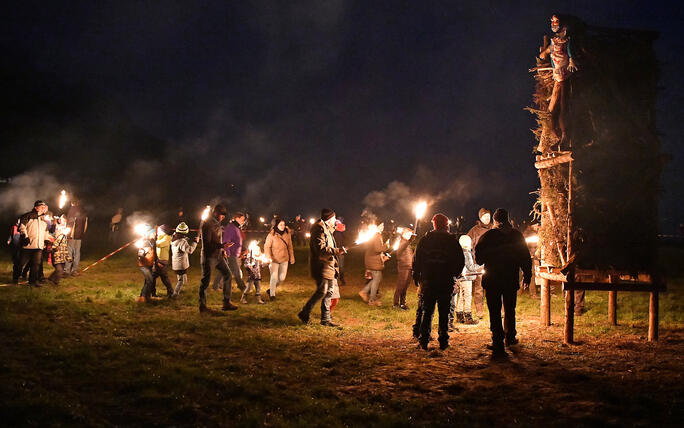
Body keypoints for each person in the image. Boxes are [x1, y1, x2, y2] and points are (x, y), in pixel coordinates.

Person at [475, 208, 532, 358]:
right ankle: (510, 337)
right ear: (508, 219)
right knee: (509, 309)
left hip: (493, 279)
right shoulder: (516, 236)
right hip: (510, 278)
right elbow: (526, 257)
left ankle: (498, 342)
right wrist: (527, 275)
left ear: (495, 221)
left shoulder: (489, 236)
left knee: (494, 311)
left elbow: (479, 258)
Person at [413, 214, 464, 350]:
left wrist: (417, 276)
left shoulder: (425, 240)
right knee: (444, 312)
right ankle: (443, 341)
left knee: (427, 311)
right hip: (445, 281)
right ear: (446, 224)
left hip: (429, 280)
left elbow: (417, 259)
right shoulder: (451, 241)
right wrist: (455, 274)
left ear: (434, 224)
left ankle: (424, 340)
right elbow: (460, 259)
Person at [298, 208, 345, 327]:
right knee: (322, 291)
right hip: (321, 266)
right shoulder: (319, 230)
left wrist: (336, 226)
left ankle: (325, 319)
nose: (335, 220)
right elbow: (321, 250)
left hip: (328, 265)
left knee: (328, 291)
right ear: (329, 219)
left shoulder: (326, 228)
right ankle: (305, 312)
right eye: (333, 218)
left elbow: (331, 233)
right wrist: (337, 250)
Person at [198, 205, 236, 312]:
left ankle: (226, 302)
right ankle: (203, 306)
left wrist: (222, 250)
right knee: (205, 282)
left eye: (224, 215)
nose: (223, 217)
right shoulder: (207, 225)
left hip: (218, 256)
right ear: (215, 213)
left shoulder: (217, 224)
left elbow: (218, 240)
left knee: (227, 274)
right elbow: (207, 244)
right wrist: (222, 246)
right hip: (209, 257)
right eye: (221, 215)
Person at [15, 201, 52, 286]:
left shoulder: (44, 219)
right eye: (41, 206)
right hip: (28, 245)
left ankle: (33, 281)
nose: (44, 208)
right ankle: (15, 278)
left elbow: (45, 232)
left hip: (38, 246)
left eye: (44, 207)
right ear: (36, 207)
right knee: (20, 263)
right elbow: (22, 227)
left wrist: (46, 240)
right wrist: (25, 236)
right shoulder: (28, 216)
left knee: (36, 265)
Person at [450, 235, 481, 328]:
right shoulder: (467, 253)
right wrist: (481, 266)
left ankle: (459, 316)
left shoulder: (458, 252)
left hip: (460, 277)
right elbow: (470, 267)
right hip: (467, 277)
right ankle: (468, 317)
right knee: (467, 296)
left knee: (461, 297)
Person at [466, 208, 492, 318]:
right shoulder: (474, 230)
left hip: (493, 263)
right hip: (480, 264)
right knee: (479, 288)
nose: (487, 218)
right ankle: (479, 310)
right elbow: (467, 243)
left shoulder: (494, 228)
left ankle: (498, 309)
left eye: (489, 216)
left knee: (494, 287)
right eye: (485, 216)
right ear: (480, 218)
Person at [264, 217, 295, 300]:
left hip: (284, 259)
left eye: (284, 224)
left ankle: (271, 289)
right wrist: (268, 257)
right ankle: (272, 295)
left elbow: (290, 246)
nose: (283, 226)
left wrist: (292, 257)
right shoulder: (271, 234)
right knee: (274, 277)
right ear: (276, 225)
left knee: (282, 278)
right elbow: (267, 247)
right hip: (273, 259)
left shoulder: (287, 234)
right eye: (281, 224)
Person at [217, 212, 248, 295]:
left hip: (235, 254)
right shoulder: (231, 228)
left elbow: (237, 241)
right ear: (237, 218)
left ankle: (216, 286)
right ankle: (244, 289)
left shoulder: (236, 228)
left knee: (227, 272)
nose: (243, 221)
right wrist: (227, 252)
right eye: (242, 219)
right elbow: (226, 241)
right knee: (237, 273)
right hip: (231, 254)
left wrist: (243, 250)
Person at [359, 222, 389, 306]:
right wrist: (386, 245)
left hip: (370, 259)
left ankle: (364, 292)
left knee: (376, 279)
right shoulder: (377, 235)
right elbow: (378, 249)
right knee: (376, 279)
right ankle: (372, 300)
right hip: (374, 261)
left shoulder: (372, 235)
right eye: (382, 225)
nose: (383, 227)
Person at [171, 222, 199, 297]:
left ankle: (183, 290)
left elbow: (181, 242)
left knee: (182, 278)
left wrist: (185, 239)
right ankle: (175, 294)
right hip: (181, 265)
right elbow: (190, 250)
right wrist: (195, 242)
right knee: (181, 281)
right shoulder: (182, 242)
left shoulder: (174, 239)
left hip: (176, 264)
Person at [393, 228, 414, 310]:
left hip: (409, 267)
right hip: (403, 267)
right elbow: (400, 250)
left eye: (410, 234)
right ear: (403, 234)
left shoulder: (407, 244)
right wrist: (410, 240)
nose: (409, 236)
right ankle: (395, 304)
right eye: (408, 234)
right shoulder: (402, 242)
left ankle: (402, 303)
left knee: (405, 286)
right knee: (401, 286)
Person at [47, 216, 72, 285]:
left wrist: (68, 258)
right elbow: (53, 246)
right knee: (59, 270)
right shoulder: (58, 239)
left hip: (62, 259)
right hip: (57, 257)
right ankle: (56, 282)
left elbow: (65, 250)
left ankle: (50, 278)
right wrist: (53, 249)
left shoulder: (64, 241)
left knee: (58, 270)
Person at [65, 199, 87, 276]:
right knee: (77, 253)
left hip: (72, 235)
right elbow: (85, 224)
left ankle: (67, 270)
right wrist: (82, 234)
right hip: (80, 235)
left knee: (69, 252)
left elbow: (70, 222)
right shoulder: (83, 211)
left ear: (72, 203)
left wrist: (68, 234)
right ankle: (75, 270)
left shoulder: (72, 209)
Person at [136, 228, 156, 302]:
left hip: (149, 264)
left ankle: (145, 296)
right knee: (150, 280)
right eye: (153, 234)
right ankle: (143, 297)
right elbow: (140, 253)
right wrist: (142, 253)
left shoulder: (152, 242)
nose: (154, 235)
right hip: (144, 265)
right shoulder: (144, 242)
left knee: (148, 281)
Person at [333, 219, 348, 285]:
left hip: (340, 251)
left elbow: (345, 240)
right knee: (335, 266)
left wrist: (344, 248)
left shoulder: (342, 233)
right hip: (335, 251)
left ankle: (341, 279)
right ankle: (335, 280)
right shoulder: (334, 233)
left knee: (341, 266)